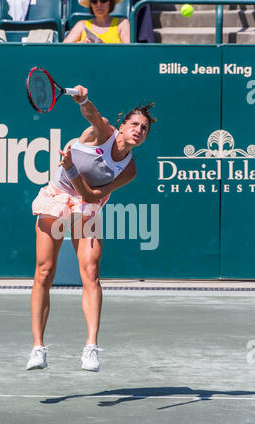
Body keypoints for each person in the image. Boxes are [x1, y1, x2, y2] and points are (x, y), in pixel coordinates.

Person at [26, 84, 155, 372]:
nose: (138, 130)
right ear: (121, 127)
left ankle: (91, 348)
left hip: (86, 207)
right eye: (134, 124)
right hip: (57, 197)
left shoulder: (129, 170)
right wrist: (83, 98)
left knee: (91, 273)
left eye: (144, 129)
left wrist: (71, 168)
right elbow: (91, 114)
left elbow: (91, 196)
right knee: (44, 271)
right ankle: (37, 348)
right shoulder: (104, 131)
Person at [63, 0, 130, 44]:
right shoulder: (81, 25)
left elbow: (129, 53)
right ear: (91, 5)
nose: (99, 5)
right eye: (94, 1)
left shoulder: (122, 24)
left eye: (103, 0)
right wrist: (81, 44)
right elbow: (62, 49)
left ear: (110, 2)